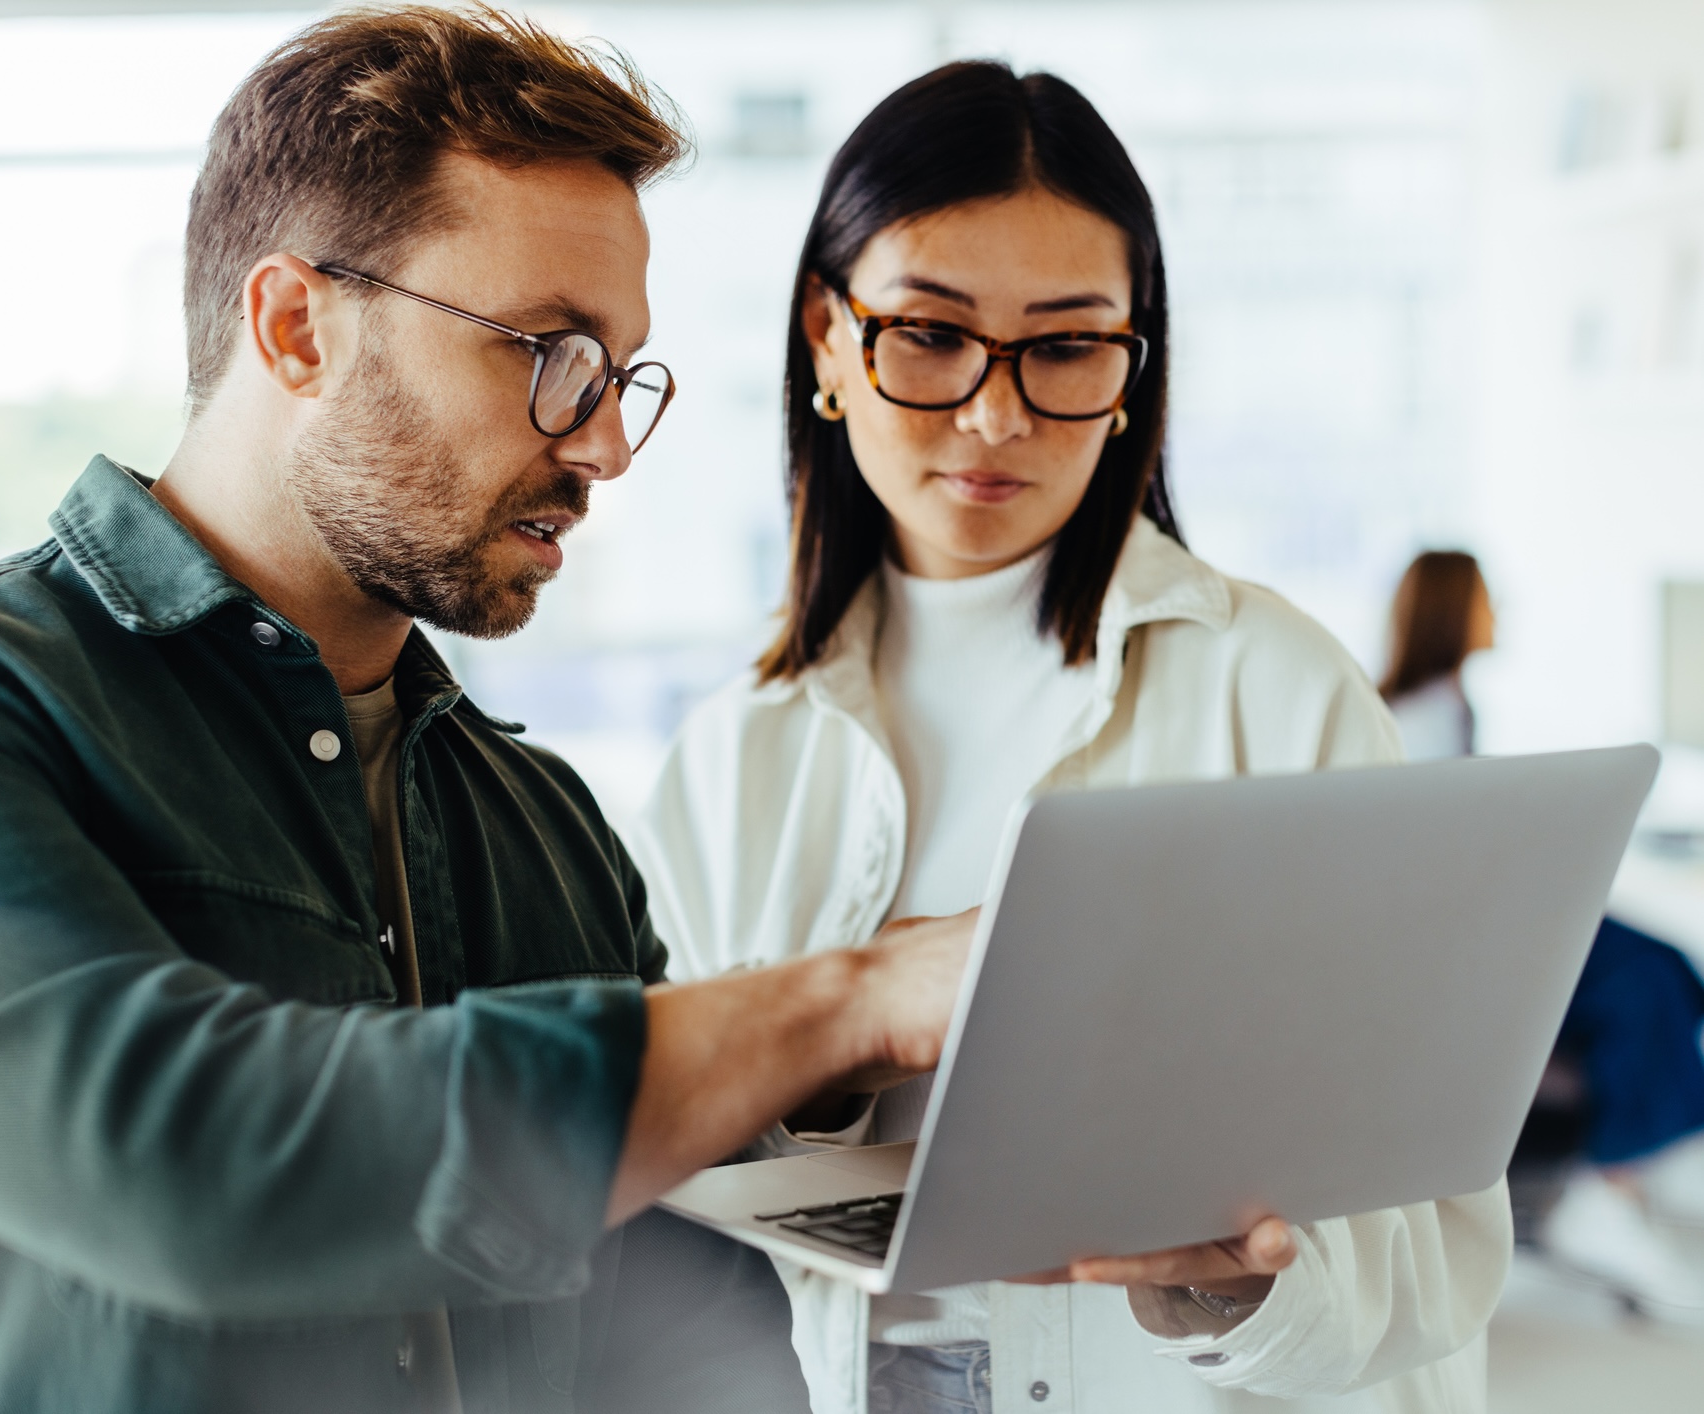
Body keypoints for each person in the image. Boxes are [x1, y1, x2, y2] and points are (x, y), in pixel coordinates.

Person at [0, 10, 974, 1412]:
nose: (597, 444)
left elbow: (688, 1331)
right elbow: (188, 1159)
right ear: (295, 326)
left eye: (616, 376)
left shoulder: (541, 824)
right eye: (546, 350)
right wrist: (846, 998)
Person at [629, 61, 1511, 1414]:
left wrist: (1229, 1286)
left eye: (1060, 345)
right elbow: (670, 1192)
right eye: (927, 333)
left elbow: (1436, 1247)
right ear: (823, 335)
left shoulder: (1269, 686)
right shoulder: (728, 757)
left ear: (1127, 364)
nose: (995, 413)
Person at [1379, 551, 1704, 1319]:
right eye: (1487, 602)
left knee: (1668, 970)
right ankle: (1612, 1183)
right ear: (1454, 610)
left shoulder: (1446, 702)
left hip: (1493, 910)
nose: (1499, 616)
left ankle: (1630, 1170)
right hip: (1461, 936)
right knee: (1644, 983)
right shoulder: (1418, 714)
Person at [1375, 550, 1493, 759]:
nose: (1494, 613)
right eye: (1485, 600)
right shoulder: (1421, 720)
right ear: (1454, 613)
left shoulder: (1451, 703)